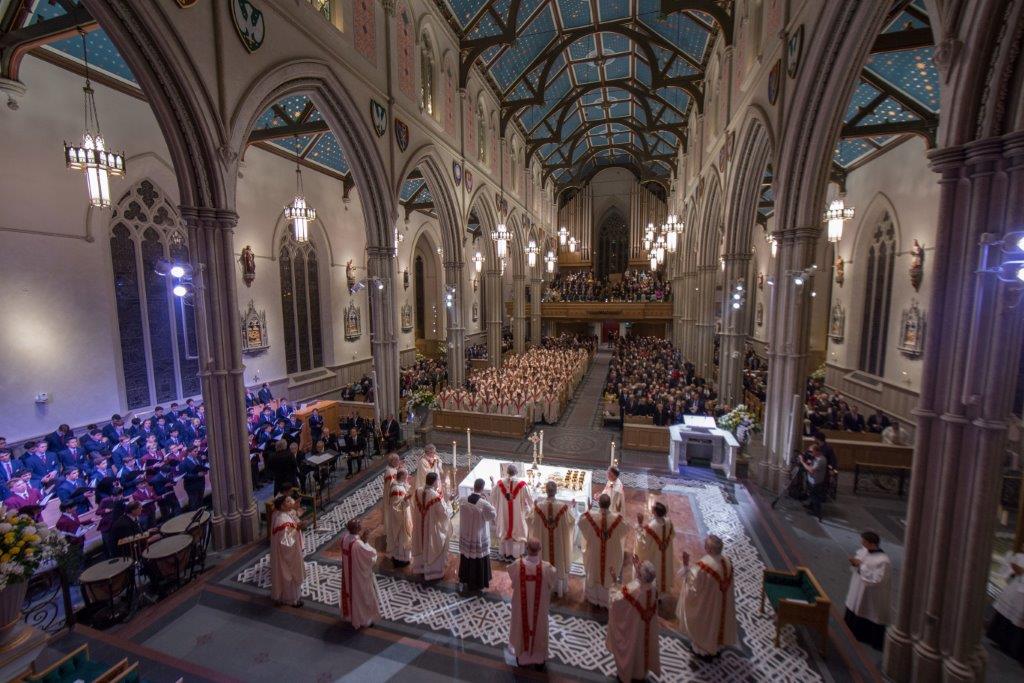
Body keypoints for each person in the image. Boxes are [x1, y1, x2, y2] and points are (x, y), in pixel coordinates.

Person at [677, 534, 737, 660]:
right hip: (722, 604)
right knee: (718, 620)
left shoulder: (704, 565)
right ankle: (716, 645)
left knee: (708, 622)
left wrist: (686, 566)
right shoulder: (728, 562)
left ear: (709, 549)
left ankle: (703, 648)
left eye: (706, 546)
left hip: (708, 606)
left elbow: (693, 587)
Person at [507, 538, 557, 670]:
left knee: (520, 627)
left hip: (521, 609)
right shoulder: (547, 569)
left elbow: (512, 578)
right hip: (539, 611)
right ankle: (539, 659)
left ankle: (522, 657)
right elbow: (552, 583)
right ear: (540, 550)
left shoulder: (516, 566)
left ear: (526, 548)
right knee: (540, 629)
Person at [607, 560, 661, 682]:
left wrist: (615, 582)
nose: (637, 568)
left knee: (632, 647)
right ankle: (641, 672)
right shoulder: (653, 589)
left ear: (641, 576)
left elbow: (615, 601)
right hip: (646, 629)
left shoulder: (633, 589)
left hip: (633, 629)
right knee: (642, 649)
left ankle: (628, 674)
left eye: (639, 569)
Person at [843, 530, 892, 650]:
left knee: (867, 611)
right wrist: (855, 563)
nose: (861, 543)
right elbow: (859, 560)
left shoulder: (883, 561)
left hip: (872, 595)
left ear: (871, 543)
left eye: (863, 541)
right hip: (858, 587)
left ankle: (867, 638)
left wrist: (860, 566)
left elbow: (878, 579)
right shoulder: (865, 551)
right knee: (855, 607)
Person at [578, 493, 629, 607]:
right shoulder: (618, 520)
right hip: (611, 554)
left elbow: (580, 522)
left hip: (594, 553)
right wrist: (619, 513)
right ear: (610, 504)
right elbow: (626, 528)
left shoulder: (590, 517)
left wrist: (588, 509)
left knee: (594, 570)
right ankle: (606, 600)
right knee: (608, 573)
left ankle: (594, 598)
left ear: (598, 504)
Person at [528, 480, 574, 596]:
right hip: (558, 544)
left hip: (543, 546)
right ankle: (558, 589)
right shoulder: (563, 508)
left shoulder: (538, 507)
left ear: (546, 491)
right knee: (558, 559)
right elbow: (571, 522)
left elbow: (529, 520)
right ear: (556, 492)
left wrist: (532, 507)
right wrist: (573, 509)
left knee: (544, 558)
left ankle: (543, 585)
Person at [411, 471, 453, 581]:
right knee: (437, 542)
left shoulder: (418, 491)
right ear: (434, 482)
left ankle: (421, 568)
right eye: (437, 480)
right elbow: (444, 515)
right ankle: (433, 572)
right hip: (431, 528)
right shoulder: (435, 496)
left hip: (420, 525)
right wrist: (448, 502)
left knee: (421, 543)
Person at [338, 519, 380, 629]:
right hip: (358, 576)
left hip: (348, 574)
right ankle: (363, 620)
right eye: (359, 525)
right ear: (357, 529)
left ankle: (349, 617)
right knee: (361, 595)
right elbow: (371, 556)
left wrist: (362, 540)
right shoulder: (358, 544)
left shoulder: (344, 538)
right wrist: (365, 541)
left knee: (349, 592)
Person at [458, 478, 497, 591]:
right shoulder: (483, 503)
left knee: (466, 556)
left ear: (474, 487)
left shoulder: (463, 500)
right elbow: (492, 514)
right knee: (479, 556)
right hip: (478, 536)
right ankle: (479, 582)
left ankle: (464, 578)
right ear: (482, 488)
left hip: (466, 534)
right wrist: (486, 500)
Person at [987, 548, 1024, 663]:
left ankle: (1012, 649)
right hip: (1016, 588)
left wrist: (1021, 571)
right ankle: (1000, 640)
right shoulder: (1020, 556)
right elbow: (1009, 572)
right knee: (1007, 616)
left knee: (1017, 620)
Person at [490, 464, 532, 560]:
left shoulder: (499, 484)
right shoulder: (522, 485)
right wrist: (531, 509)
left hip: (504, 515)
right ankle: (517, 554)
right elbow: (530, 500)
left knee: (505, 528)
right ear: (517, 472)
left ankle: (506, 552)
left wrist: (492, 482)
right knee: (518, 531)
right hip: (518, 516)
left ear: (507, 472)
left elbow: (492, 495)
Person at [269, 495, 304, 607]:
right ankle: (292, 600)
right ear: (282, 506)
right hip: (286, 557)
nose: (290, 503)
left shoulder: (279, 515)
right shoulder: (283, 521)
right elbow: (286, 542)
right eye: (288, 502)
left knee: (283, 576)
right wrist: (297, 528)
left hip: (280, 553)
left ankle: (285, 597)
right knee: (289, 576)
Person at [635, 501, 675, 599]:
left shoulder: (651, 527)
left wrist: (639, 526)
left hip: (655, 556)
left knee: (655, 570)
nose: (651, 508)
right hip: (665, 555)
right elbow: (672, 534)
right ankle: (662, 591)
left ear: (655, 512)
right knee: (663, 571)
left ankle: (653, 592)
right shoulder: (668, 521)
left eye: (653, 508)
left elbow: (643, 543)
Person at [386, 469, 413, 567]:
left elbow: (404, 488)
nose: (408, 476)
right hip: (400, 518)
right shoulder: (397, 489)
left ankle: (401, 556)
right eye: (407, 475)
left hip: (403, 515)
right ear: (402, 476)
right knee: (401, 537)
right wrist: (405, 500)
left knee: (402, 537)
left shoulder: (397, 484)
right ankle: (401, 559)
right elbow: (395, 506)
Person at [802, 444, 828, 521]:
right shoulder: (816, 458)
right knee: (812, 494)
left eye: (811, 451)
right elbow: (810, 464)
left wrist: (803, 462)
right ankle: (811, 506)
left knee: (815, 497)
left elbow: (811, 470)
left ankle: (817, 512)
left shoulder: (821, 460)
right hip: (812, 480)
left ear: (817, 451)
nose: (810, 453)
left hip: (816, 482)